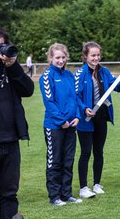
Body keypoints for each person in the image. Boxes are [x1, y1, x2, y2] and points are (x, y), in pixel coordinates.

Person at [75, 42, 120, 198]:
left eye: (98, 55)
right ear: (85, 56)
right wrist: (84, 108)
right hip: (86, 119)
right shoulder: (80, 73)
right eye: (93, 55)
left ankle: (97, 184)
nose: (96, 58)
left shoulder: (104, 72)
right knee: (85, 152)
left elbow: (116, 87)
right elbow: (76, 96)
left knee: (98, 152)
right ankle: (83, 187)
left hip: (101, 117)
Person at [0, 23, 34, 218]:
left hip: (10, 141)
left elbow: (28, 90)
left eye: (0, 46)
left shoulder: (9, 67)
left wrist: (13, 65)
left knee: (9, 195)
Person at [39, 43, 82, 206]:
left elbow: (76, 98)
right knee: (54, 161)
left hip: (71, 125)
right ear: (51, 58)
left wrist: (77, 116)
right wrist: (61, 121)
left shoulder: (70, 76)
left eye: (63, 57)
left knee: (68, 161)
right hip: (55, 126)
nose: (61, 60)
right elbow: (49, 102)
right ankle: (54, 196)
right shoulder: (47, 76)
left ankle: (66, 194)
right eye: (57, 57)